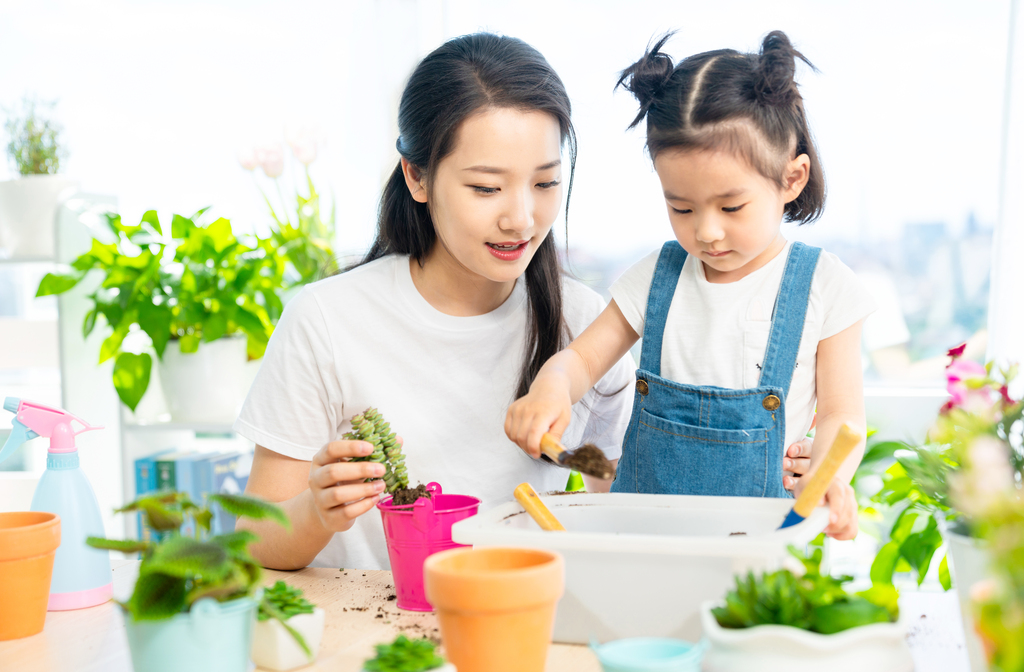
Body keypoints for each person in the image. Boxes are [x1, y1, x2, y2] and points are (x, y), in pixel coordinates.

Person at [232, 33, 637, 571]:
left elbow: (619, 519)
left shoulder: (582, 328)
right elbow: (255, 540)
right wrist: (316, 511)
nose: (521, 218)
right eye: (486, 188)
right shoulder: (326, 319)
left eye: (545, 183)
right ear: (417, 176)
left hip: (509, 615)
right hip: (362, 633)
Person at [505, 31, 874, 540]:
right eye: (681, 207)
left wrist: (830, 473)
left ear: (791, 179)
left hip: (760, 544)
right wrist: (550, 387)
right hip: (645, 539)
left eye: (730, 206)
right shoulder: (660, 275)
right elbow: (584, 361)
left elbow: (842, 414)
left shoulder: (825, 286)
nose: (706, 230)